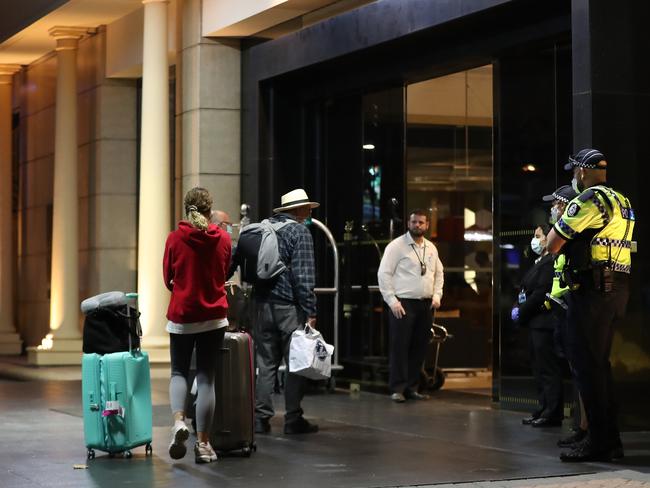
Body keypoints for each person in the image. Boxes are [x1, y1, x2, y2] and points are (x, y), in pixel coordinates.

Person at [547, 148, 635, 462]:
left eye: (574, 171)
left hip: (592, 290)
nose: (573, 176)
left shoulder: (588, 200)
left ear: (583, 172)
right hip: (617, 287)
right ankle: (610, 441)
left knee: (587, 369)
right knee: (600, 367)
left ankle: (598, 442)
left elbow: (552, 244)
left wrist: (559, 222)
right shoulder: (622, 201)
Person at [233, 188, 319, 435]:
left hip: (259, 306)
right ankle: (293, 419)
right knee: (296, 363)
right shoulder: (300, 232)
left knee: (265, 364)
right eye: (307, 207)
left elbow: (236, 260)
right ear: (299, 210)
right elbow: (303, 276)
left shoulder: (262, 228)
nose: (309, 211)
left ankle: (261, 419)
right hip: (288, 308)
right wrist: (310, 311)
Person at [163, 187, 232, 463]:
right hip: (214, 318)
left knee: (179, 371)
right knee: (206, 378)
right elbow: (224, 271)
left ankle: (179, 421)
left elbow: (167, 277)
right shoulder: (224, 239)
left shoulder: (174, 239)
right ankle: (203, 445)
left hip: (182, 316)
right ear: (209, 210)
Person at [378, 209, 444, 403]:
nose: (417, 225)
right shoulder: (396, 246)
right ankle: (397, 388)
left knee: (419, 347)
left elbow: (439, 274)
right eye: (414, 222)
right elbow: (384, 274)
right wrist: (392, 301)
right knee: (400, 346)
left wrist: (437, 295)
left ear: (427, 225)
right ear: (408, 223)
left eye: (421, 222)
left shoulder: (431, 248)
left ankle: (412, 387)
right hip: (403, 302)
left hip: (425, 303)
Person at [512, 224, 564, 427]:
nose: (536, 239)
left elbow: (540, 293)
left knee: (548, 370)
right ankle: (543, 408)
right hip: (534, 323)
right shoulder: (538, 261)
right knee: (538, 368)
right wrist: (517, 307)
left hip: (545, 322)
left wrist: (521, 312)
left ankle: (552, 412)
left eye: (539, 236)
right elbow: (525, 290)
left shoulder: (551, 262)